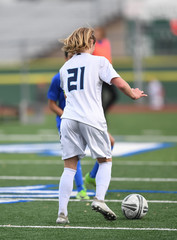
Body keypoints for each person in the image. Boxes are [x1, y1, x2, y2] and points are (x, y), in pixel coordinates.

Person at [56, 27, 147, 224]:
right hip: (91, 118)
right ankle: (99, 199)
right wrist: (133, 94)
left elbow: (66, 96)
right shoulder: (99, 61)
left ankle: (62, 214)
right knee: (105, 160)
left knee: (69, 168)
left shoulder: (65, 68)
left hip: (69, 119)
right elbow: (119, 83)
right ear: (90, 42)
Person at [47, 52, 89, 200]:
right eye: (70, 56)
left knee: (110, 142)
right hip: (67, 122)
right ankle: (81, 189)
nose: (73, 59)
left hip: (84, 118)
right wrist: (65, 115)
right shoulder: (59, 77)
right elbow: (51, 105)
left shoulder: (85, 73)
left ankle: (93, 176)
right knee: (73, 157)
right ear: (65, 58)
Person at [84, 26, 117, 188]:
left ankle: (102, 113)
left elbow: (107, 57)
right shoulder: (93, 45)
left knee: (113, 96)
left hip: (107, 72)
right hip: (98, 74)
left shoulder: (106, 42)